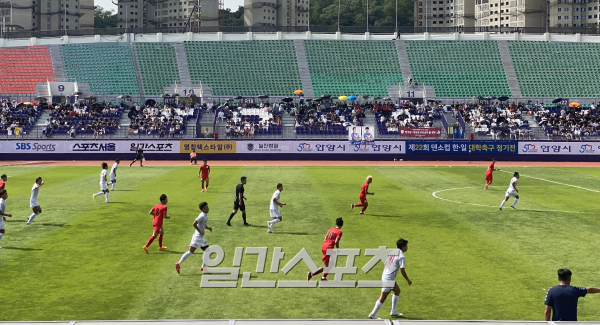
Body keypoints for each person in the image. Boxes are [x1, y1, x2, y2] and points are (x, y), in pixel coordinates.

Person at [368, 238, 412, 319]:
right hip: (388, 279)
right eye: (406, 246)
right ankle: (372, 314)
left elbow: (385, 263)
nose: (407, 247)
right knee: (383, 297)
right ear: (403, 247)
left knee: (397, 291)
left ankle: (393, 311)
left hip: (386, 276)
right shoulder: (401, 256)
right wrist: (408, 280)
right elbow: (402, 270)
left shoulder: (393, 252)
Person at [175, 201, 213, 274]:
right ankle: (203, 267)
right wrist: (200, 231)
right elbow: (194, 223)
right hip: (198, 237)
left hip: (195, 236)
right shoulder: (201, 215)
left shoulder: (205, 215)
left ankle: (178, 264)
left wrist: (208, 228)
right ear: (203, 208)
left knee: (190, 251)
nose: (208, 208)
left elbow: (203, 224)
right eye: (207, 207)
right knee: (208, 251)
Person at [307, 217, 343, 282]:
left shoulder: (330, 229)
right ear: (342, 225)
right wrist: (337, 248)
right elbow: (336, 241)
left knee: (330, 264)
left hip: (324, 246)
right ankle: (311, 274)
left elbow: (325, 238)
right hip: (328, 248)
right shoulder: (339, 232)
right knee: (327, 265)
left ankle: (323, 278)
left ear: (335, 223)